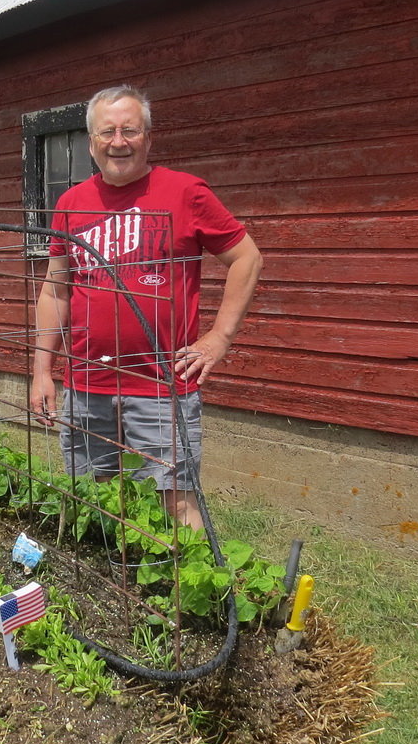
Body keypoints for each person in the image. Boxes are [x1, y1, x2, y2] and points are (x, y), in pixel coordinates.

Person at [29, 85, 262, 530]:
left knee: (175, 502)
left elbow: (246, 258)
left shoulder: (185, 192)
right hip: (85, 383)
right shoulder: (70, 204)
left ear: (148, 138)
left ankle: (192, 595)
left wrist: (218, 338)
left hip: (160, 385)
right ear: (91, 142)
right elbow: (55, 291)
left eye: (130, 130)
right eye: (108, 132)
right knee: (91, 498)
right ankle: (108, 590)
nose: (119, 141)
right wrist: (43, 371)